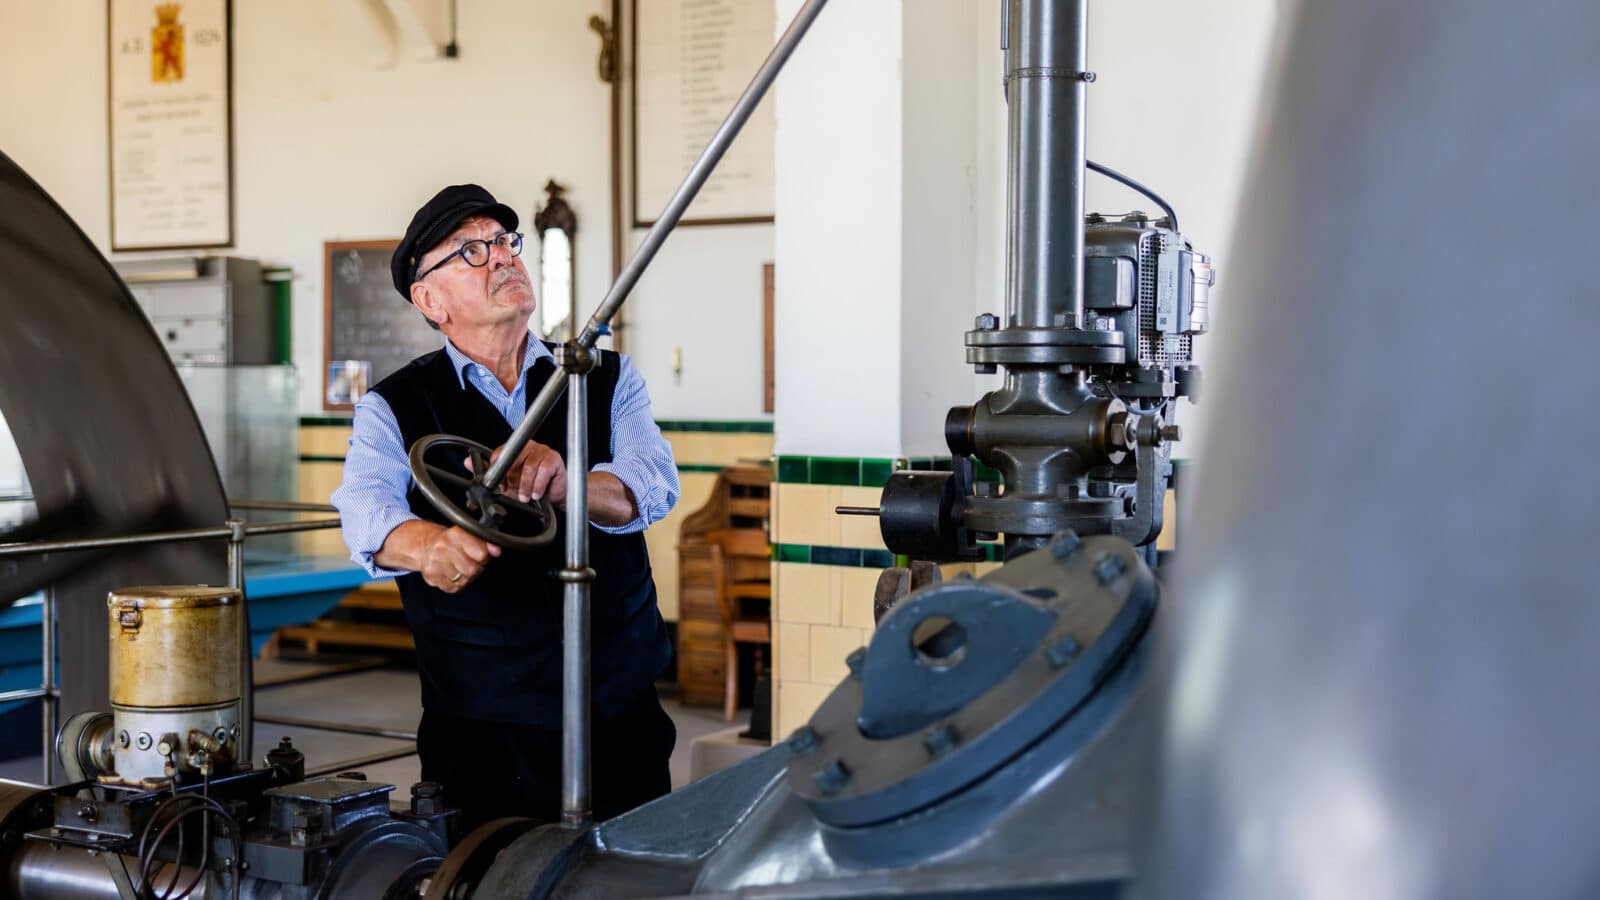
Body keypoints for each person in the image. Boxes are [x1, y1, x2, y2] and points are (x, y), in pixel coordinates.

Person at [330, 184, 679, 831]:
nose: (501, 258)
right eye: (471, 251)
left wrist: (567, 481)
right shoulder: (394, 406)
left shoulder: (604, 377)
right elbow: (365, 512)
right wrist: (430, 545)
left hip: (619, 707)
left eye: (505, 243)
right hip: (484, 726)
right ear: (430, 300)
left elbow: (649, 483)